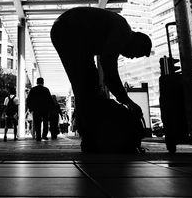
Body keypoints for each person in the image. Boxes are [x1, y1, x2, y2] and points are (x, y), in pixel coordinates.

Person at [50, 7, 152, 137]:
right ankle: (89, 131)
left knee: (83, 82)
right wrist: (128, 102)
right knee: (86, 81)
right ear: (137, 42)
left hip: (65, 30)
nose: (132, 57)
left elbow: (108, 72)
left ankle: (87, 130)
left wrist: (124, 99)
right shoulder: (123, 32)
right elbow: (109, 68)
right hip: (69, 30)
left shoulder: (119, 29)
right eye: (137, 54)